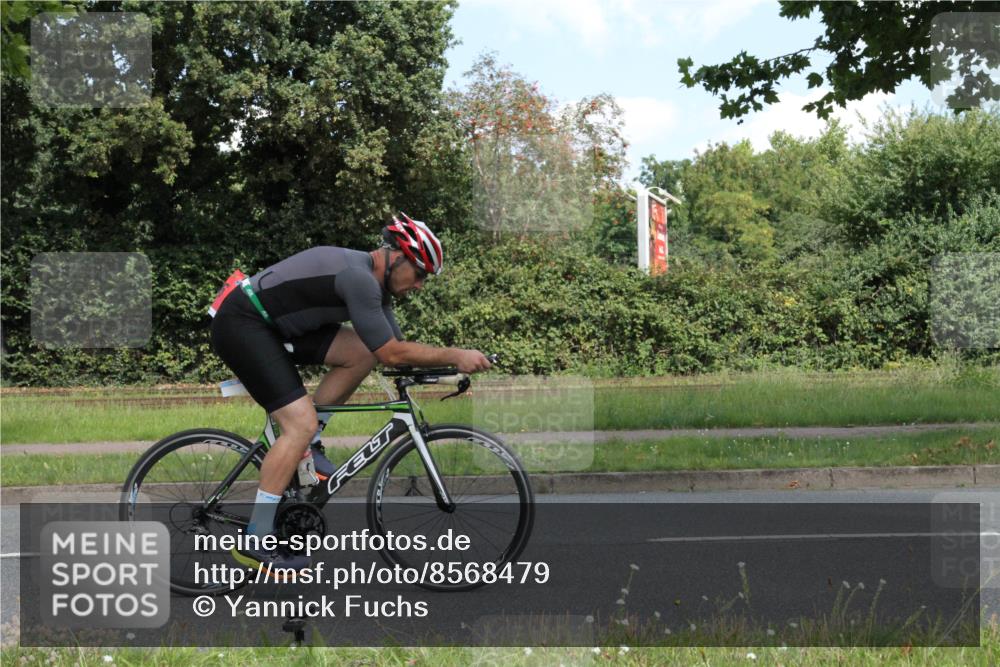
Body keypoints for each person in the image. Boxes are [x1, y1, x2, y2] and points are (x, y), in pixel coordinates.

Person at [209, 213, 492, 573]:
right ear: (397, 257)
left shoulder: (376, 291)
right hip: (243, 323)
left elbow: (392, 353)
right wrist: (455, 355)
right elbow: (393, 353)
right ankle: (256, 537)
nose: (420, 284)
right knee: (299, 424)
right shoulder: (359, 279)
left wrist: (447, 374)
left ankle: (308, 446)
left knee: (361, 351)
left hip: (275, 326)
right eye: (419, 273)